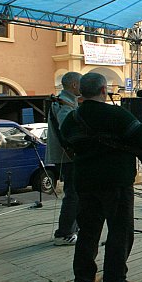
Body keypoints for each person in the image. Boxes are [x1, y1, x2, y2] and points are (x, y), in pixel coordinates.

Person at [61, 72, 142, 282]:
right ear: (104, 90)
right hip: (116, 182)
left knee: (88, 230)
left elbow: (67, 142)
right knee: (119, 232)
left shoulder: (72, 119)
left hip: (84, 181)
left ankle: (83, 279)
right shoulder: (115, 114)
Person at [46, 71, 82, 246]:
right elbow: (67, 129)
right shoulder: (63, 104)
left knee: (75, 194)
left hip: (67, 156)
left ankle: (72, 229)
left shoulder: (66, 101)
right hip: (68, 156)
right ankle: (64, 232)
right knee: (73, 195)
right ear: (74, 85)